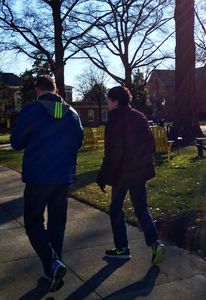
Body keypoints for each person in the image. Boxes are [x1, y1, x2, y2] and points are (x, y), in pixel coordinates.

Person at [10, 75, 83, 292]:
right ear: (56, 89)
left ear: (37, 90)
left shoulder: (32, 111)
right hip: (62, 177)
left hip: (38, 177)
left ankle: (51, 263)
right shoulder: (71, 113)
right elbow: (78, 142)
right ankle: (53, 270)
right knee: (57, 224)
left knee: (33, 223)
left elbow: (16, 143)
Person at [96, 86, 165, 265]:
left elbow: (113, 152)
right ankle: (155, 243)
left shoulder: (115, 120)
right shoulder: (140, 117)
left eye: (108, 100)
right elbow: (150, 145)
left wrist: (103, 175)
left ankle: (122, 248)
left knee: (116, 209)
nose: (107, 104)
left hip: (122, 173)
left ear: (115, 101)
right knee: (142, 208)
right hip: (139, 171)